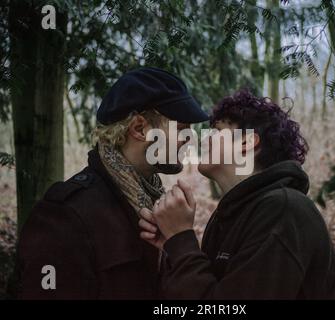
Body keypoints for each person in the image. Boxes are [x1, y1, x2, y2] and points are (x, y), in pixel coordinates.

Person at [16, 67, 209, 299]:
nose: (190, 138)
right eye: (181, 128)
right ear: (139, 128)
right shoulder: (66, 215)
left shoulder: (156, 206)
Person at [139, 89, 335, 299]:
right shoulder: (229, 215)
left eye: (216, 131)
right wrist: (174, 247)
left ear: (246, 142)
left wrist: (182, 240)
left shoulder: (284, 211)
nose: (203, 139)